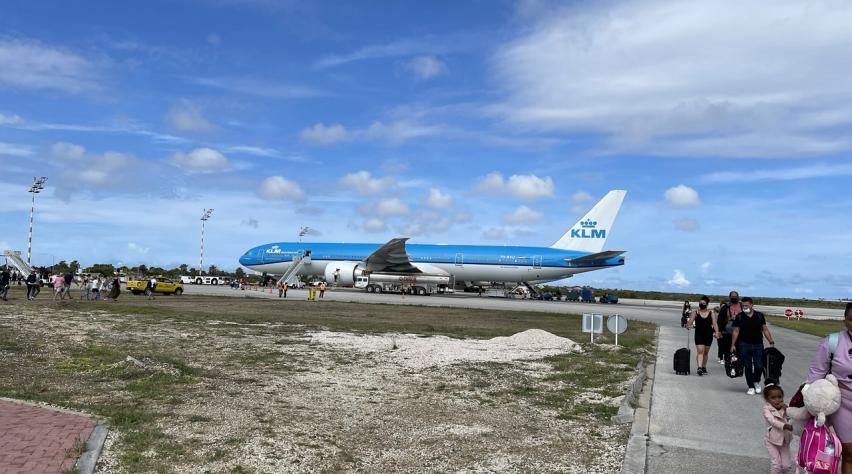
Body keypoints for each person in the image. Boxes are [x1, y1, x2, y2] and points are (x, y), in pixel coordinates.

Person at [805, 302, 852, 474]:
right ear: (845, 320)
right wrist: (807, 397)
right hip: (844, 403)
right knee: (849, 453)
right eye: (851, 319)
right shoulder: (832, 342)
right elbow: (816, 373)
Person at [730, 297, 776, 395]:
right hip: (743, 344)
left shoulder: (759, 316)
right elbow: (736, 331)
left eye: (746, 305)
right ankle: (750, 386)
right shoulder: (739, 316)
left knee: (759, 365)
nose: (744, 307)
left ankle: (756, 381)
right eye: (743, 305)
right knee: (748, 366)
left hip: (758, 344)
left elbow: (765, 329)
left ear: (751, 305)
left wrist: (771, 341)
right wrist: (733, 344)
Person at [686, 295, 721, 375]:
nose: (701, 304)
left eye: (703, 303)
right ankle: (699, 368)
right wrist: (688, 325)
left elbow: (715, 324)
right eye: (700, 303)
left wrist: (717, 332)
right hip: (699, 334)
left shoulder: (711, 313)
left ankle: (704, 367)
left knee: (705, 352)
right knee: (700, 351)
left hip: (708, 334)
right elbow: (690, 321)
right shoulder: (695, 312)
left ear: (707, 304)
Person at [762, 384, 793, 474]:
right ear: (767, 399)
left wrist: (787, 410)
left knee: (786, 466)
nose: (777, 400)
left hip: (784, 441)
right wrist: (784, 426)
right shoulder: (766, 408)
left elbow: (791, 418)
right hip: (772, 441)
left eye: (779, 397)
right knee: (776, 464)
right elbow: (772, 421)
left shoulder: (786, 406)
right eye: (773, 398)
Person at [716, 291, 744, 365]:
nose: (734, 298)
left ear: (738, 297)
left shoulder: (742, 306)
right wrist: (720, 331)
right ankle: (728, 362)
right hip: (727, 331)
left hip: (740, 331)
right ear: (729, 297)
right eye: (732, 296)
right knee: (727, 348)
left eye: (735, 296)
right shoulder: (725, 307)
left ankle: (737, 362)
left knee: (739, 347)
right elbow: (720, 320)